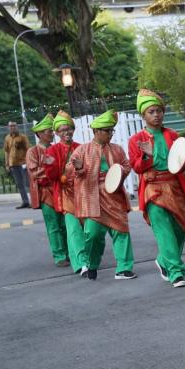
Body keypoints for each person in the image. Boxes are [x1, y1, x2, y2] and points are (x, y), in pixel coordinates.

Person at [128, 89, 185, 288]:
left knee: (180, 229)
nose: (156, 115)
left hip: (175, 187)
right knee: (164, 231)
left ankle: (164, 260)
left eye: (159, 111)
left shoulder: (172, 136)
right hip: (153, 190)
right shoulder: (136, 140)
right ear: (143, 115)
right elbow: (136, 167)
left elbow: (180, 159)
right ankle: (176, 273)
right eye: (151, 112)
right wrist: (147, 155)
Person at [70, 110, 135, 281]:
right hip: (92, 198)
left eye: (112, 130)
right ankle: (91, 264)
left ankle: (124, 268)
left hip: (114, 195)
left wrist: (120, 171)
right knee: (93, 234)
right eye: (107, 131)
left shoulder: (117, 150)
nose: (110, 134)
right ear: (96, 131)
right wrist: (78, 167)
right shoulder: (81, 150)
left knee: (121, 230)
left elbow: (126, 166)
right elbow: (71, 172)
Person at [43, 111, 86, 275]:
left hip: (82, 194)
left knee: (86, 229)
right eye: (61, 130)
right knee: (73, 228)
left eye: (68, 129)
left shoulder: (80, 147)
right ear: (56, 133)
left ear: (73, 130)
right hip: (65, 195)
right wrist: (50, 166)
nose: (66, 132)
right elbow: (51, 177)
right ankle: (80, 264)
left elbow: (87, 170)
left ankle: (86, 259)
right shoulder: (52, 151)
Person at [25, 114, 69, 267]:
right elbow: (35, 173)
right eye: (48, 131)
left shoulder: (57, 149)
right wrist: (53, 171)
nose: (51, 133)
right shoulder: (32, 152)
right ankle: (59, 255)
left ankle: (70, 252)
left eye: (51, 130)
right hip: (46, 193)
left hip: (61, 190)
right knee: (53, 226)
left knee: (65, 224)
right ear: (39, 134)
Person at [3, 121, 31, 209]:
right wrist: (7, 164)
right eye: (10, 126)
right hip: (13, 164)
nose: (12, 128)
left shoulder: (22, 137)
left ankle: (34, 201)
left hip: (23, 163)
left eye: (14, 126)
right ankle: (25, 201)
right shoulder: (7, 138)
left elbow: (29, 149)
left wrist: (29, 161)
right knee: (19, 184)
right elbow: (6, 151)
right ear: (8, 127)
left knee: (28, 183)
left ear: (17, 126)